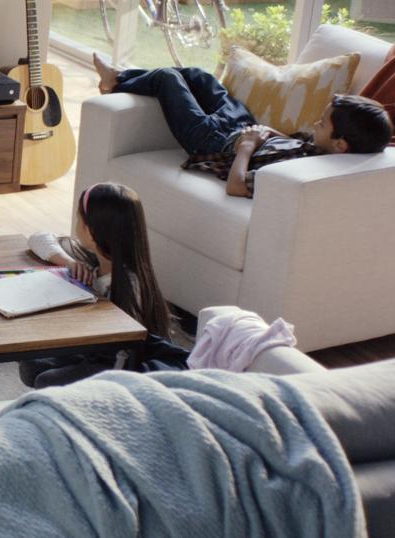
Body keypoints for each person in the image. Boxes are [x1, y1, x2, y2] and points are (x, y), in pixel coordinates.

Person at [92, 54, 394, 197]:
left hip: (214, 142)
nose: (316, 122)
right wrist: (265, 132)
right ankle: (120, 75)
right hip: (243, 123)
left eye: (323, 122)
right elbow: (287, 139)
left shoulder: (299, 171)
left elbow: (237, 186)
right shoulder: (319, 147)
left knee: (167, 79)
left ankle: (116, 80)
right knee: (197, 74)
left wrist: (246, 149)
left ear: (341, 144)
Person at [21, 182, 182, 389]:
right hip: (91, 349)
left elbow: (124, 351)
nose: (76, 222)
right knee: (31, 363)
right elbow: (38, 238)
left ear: (90, 231)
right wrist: (68, 262)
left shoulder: (130, 284)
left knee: (46, 381)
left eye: (79, 218)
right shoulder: (92, 256)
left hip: (118, 363)